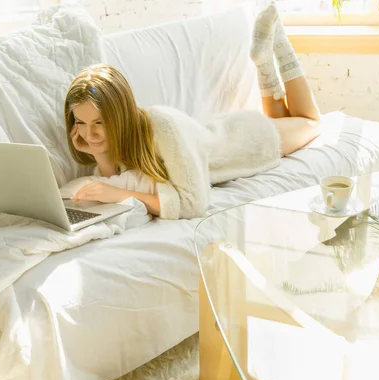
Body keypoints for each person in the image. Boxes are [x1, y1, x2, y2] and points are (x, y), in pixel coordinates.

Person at [64, 3, 320, 219]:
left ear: (118, 113)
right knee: (282, 119)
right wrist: (99, 154)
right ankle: (263, 60)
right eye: (82, 123)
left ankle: (280, 43)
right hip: (229, 131)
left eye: (98, 122)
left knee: (311, 121)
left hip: (248, 141)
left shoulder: (160, 125)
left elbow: (192, 203)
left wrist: (122, 196)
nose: (90, 133)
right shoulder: (124, 137)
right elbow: (117, 180)